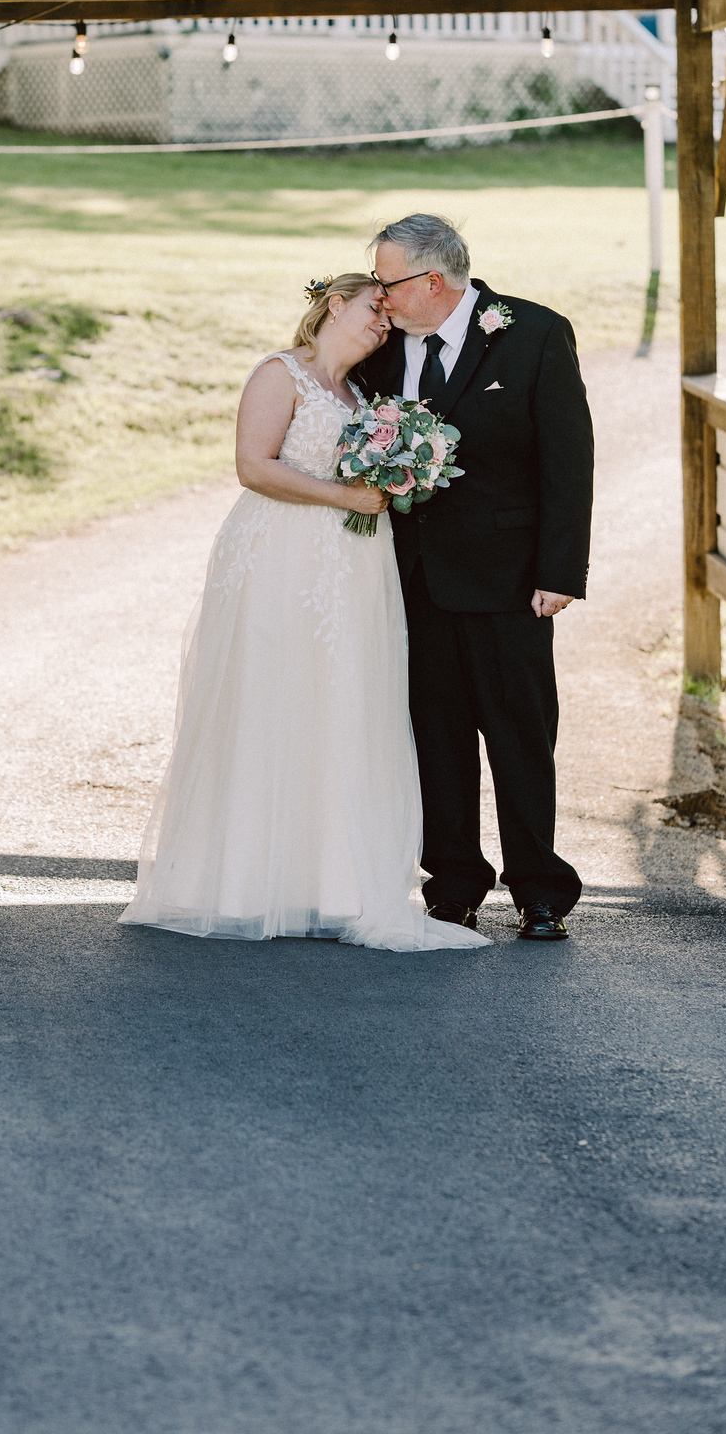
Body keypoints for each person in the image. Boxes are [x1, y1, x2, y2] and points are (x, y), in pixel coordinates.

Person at [119, 272, 487, 955]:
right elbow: (252, 467)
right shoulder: (279, 374)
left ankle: (334, 885)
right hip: (278, 557)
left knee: (340, 703)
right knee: (271, 697)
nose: (383, 324)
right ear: (334, 305)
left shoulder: (365, 397)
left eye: (389, 316)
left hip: (352, 565)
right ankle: (241, 884)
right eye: (374, 309)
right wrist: (345, 498)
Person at [355, 213, 594, 941]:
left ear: (432, 281)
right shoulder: (380, 346)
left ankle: (539, 889)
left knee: (521, 737)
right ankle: (453, 884)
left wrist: (560, 571)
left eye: (387, 282)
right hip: (412, 580)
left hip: (510, 583)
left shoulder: (534, 334)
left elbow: (568, 460)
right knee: (436, 738)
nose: (379, 296)